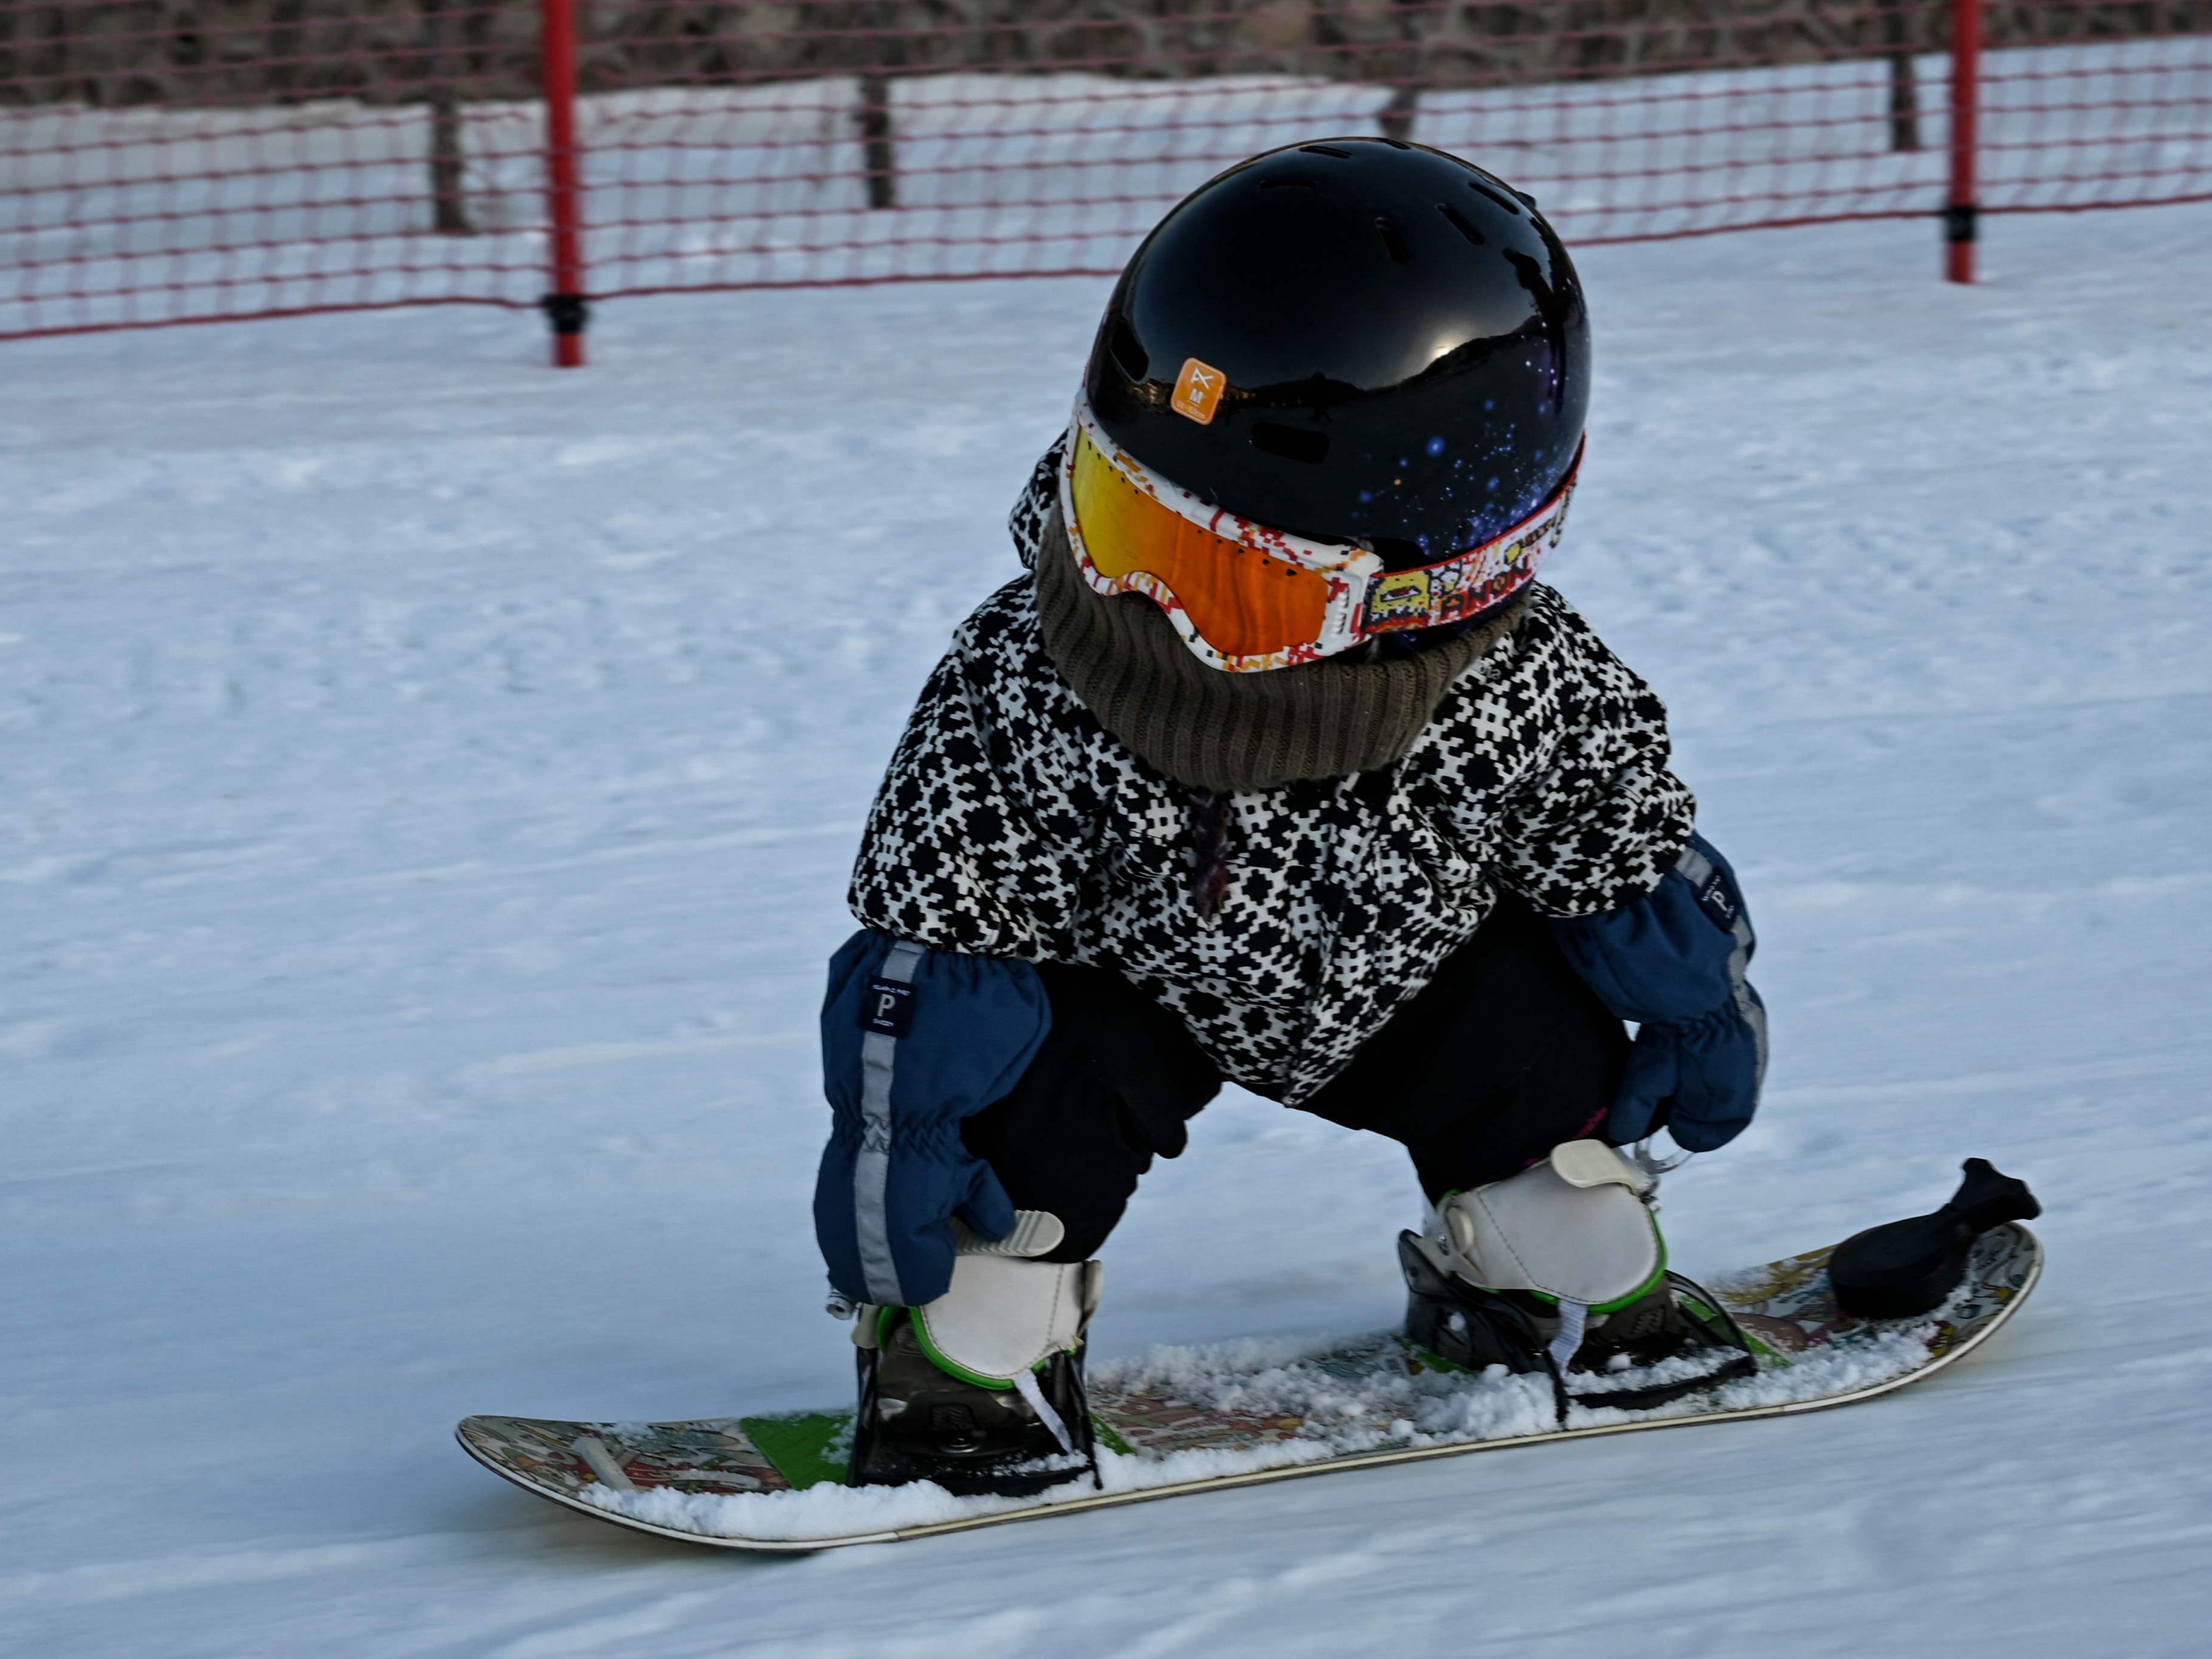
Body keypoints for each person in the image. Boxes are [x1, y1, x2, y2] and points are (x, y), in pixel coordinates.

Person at [813, 138, 1767, 1496]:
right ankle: (970, 1342)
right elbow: (943, 936)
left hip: (1418, 989)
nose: (1141, 613)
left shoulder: (1519, 690)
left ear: (1429, 590)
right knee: (1022, 1137)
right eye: (1126, 528)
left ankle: (1524, 1260)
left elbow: (1619, 856)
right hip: (1128, 1000)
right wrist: (899, 1134)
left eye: (1225, 585)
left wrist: (1695, 1001)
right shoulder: (1028, 677)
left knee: (1547, 1111)